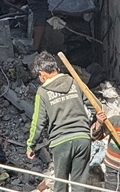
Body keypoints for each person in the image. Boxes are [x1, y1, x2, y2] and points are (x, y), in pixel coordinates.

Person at [25, 52, 93, 192]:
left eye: (39, 76)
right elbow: (95, 104)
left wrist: (31, 145)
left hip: (61, 142)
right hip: (82, 138)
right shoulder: (75, 82)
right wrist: (99, 121)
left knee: (60, 185)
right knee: (79, 185)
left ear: (42, 74)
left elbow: (38, 122)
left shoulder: (42, 92)